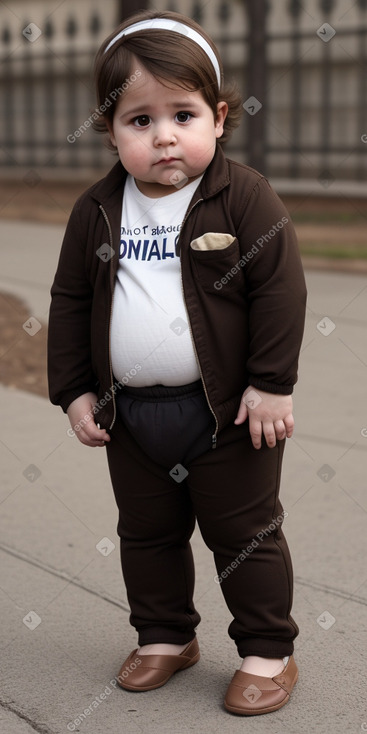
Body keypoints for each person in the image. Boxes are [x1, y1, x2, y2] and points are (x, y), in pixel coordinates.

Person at [47, 9, 307, 716]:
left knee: (244, 534)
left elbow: (280, 291)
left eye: (183, 114)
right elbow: (70, 300)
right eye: (139, 120)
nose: (164, 135)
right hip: (132, 416)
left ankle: (265, 649)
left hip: (226, 414)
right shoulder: (97, 210)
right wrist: (72, 391)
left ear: (218, 118)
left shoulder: (242, 195)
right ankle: (164, 635)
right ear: (110, 129)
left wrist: (270, 386)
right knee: (145, 531)